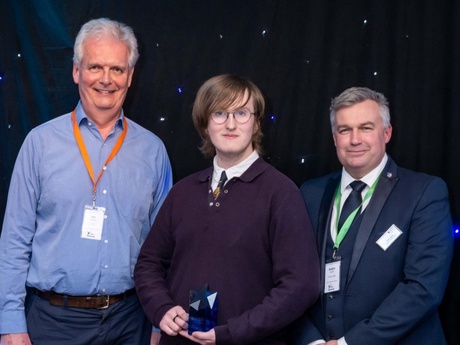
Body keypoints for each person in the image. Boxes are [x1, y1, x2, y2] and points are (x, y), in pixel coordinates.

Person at [0, 18, 172, 345]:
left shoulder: (153, 151)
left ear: (130, 76)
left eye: (117, 69)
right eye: (95, 67)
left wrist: (159, 324)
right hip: (53, 323)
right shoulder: (39, 144)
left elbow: (164, 249)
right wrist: (10, 323)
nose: (106, 80)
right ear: (77, 71)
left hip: (131, 321)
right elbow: (14, 240)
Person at [134, 74, 320, 345]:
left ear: (256, 123)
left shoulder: (281, 193)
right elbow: (148, 263)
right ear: (205, 124)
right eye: (219, 113)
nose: (230, 124)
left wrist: (232, 332)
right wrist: (161, 308)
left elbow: (301, 286)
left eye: (241, 113)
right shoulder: (183, 192)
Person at [294, 87, 453, 345]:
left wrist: (349, 344)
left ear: (387, 133)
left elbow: (423, 288)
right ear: (335, 138)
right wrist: (310, 340)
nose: (355, 139)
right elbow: (293, 278)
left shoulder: (425, 192)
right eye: (345, 130)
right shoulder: (310, 193)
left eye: (366, 128)